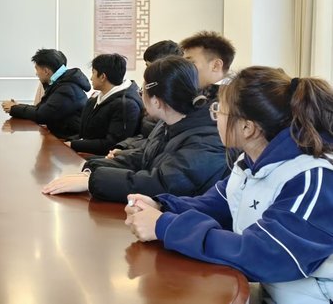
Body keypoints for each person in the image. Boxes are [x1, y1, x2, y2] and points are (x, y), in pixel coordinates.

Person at [126, 67, 333, 304]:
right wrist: (162, 207)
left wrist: (165, 226)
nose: (215, 117)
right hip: (271, 291)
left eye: (219, 110)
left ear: (247, 127)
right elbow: (216, 204)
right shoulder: (250, 162)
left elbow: (265, 255)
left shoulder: (312, 178)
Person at [42, 56, 227, 202]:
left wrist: (92, 181)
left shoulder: (205, 137)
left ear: (156, 101)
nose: (139, 93)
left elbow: (162, 184)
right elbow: (146, 157)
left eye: (143, 89)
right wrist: (93, 168)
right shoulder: (169, 122)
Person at [109, 40, 185, 154]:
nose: (146, 72)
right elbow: (146, 136)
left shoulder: (174, 103)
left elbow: (158, 146)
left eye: (149, 66)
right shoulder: (155, 92)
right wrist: (123, 147)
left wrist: (124, 152)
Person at [2, 48, 90, 139]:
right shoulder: (60, 83)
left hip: (68, 140)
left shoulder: (67, 89)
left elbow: (42, 115)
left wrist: (14, 108)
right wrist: (17, 106)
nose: (36, 74)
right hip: (60, 136)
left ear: (46, 71)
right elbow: (41, 108)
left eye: (37, 69)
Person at [67, 54, 143, 156]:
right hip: (86, 152)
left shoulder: (126, 105)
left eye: (93, 73)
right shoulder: (96, 98)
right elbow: (85, 134)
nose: (91, 78)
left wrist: (73, 144)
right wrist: (69, 142)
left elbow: (112, 144)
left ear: (103, 77)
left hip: (102, 158)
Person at [179, 31, 236, 98]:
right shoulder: (200, 95)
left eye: (190, 63)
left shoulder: (235, 98)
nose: (183, 68)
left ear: (216, 66)